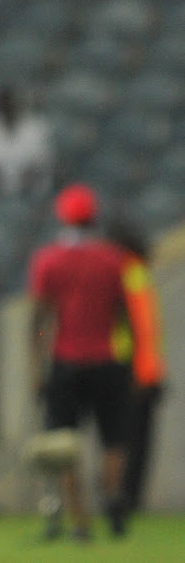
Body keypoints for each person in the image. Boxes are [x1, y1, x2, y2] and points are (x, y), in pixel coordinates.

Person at [28, 183, 133, 540]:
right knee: (113, 439)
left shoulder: (49, 259)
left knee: (66, 443)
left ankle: (79, 521)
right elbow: (126, 314)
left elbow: (39, 319)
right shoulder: (113, 258)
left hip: (67, 360)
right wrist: (130, 359)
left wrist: (36, 368)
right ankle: (114, 497)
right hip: (108, 359)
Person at [106, 216, 167, 513]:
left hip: (129, 366)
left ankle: (123, 499)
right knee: (136, 442)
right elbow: (143, 329)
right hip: (140, 369)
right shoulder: (134, 272)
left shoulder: (123, 271)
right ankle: (126, 500)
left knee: (123, 440)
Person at [0, 85, 54, 198]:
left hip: (31, 193)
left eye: (10, 103)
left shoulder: (36, 127)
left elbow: (41, 165)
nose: (7, 107)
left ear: (18, 104)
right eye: (3, 104)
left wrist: (19, 186)